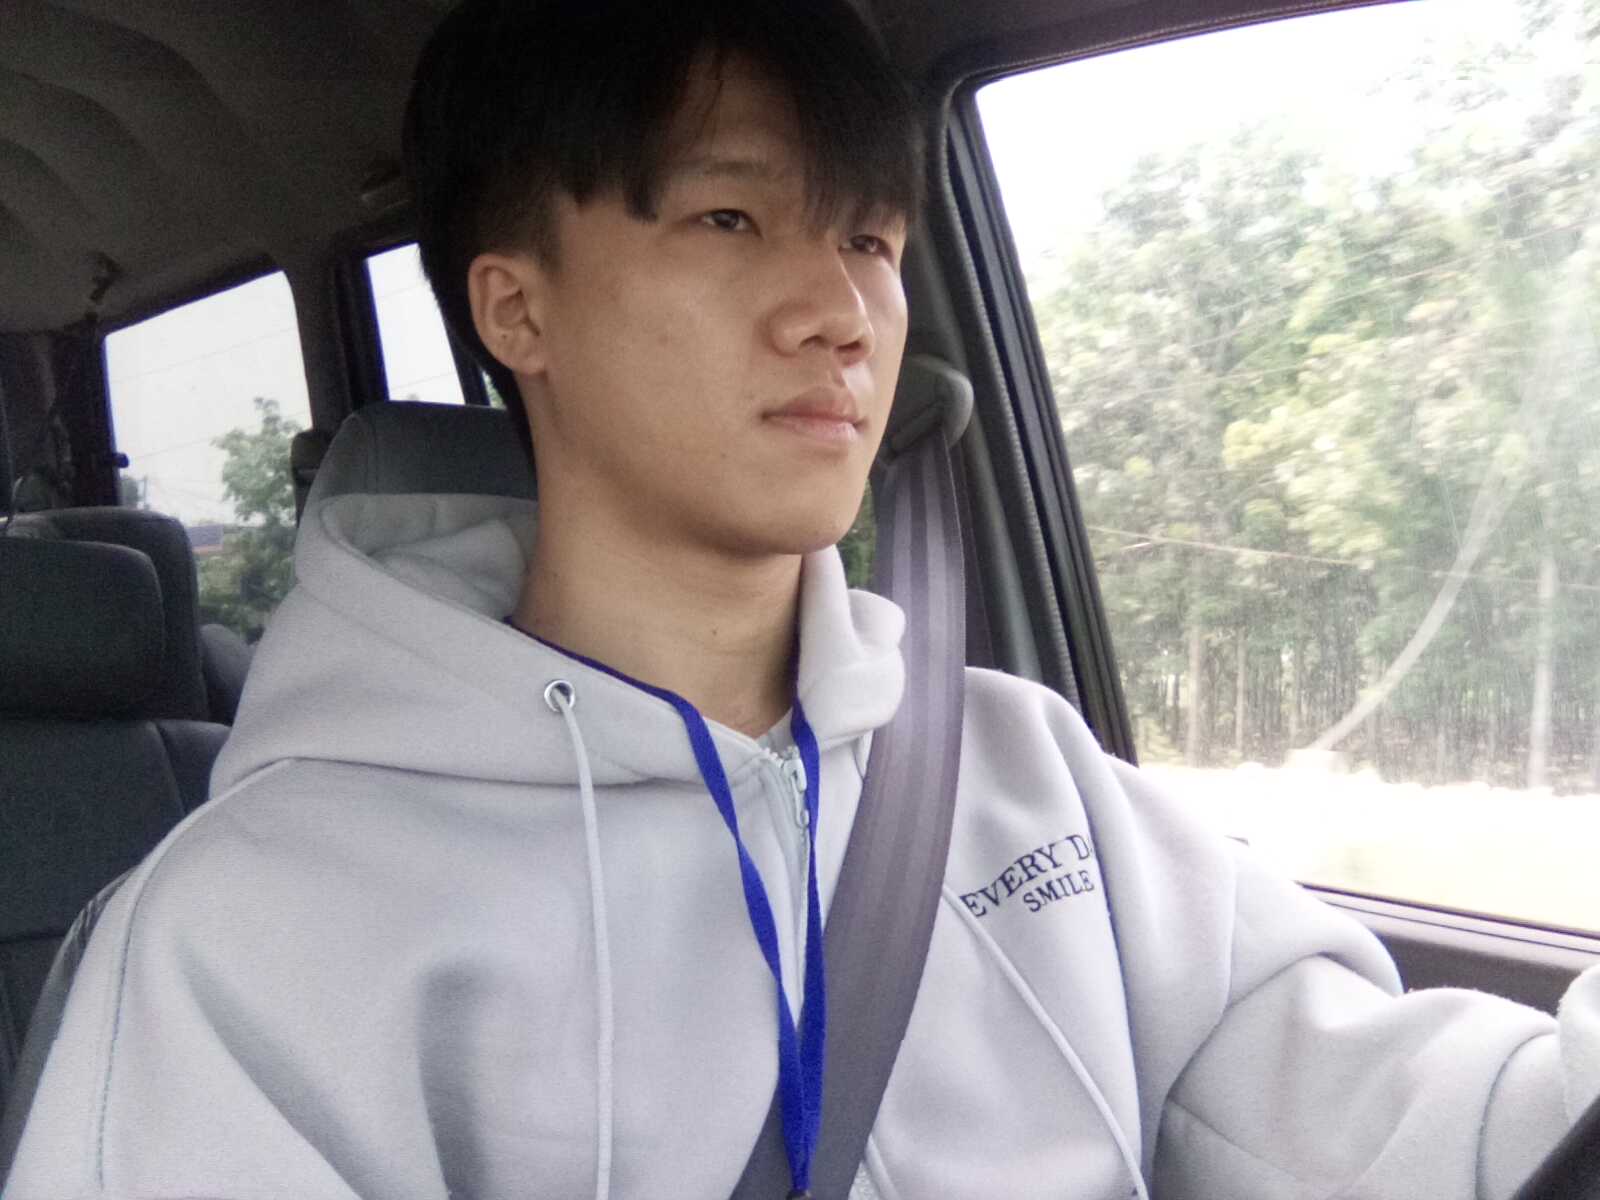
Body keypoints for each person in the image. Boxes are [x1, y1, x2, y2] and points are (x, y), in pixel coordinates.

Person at [6, 0, 1599, 1196]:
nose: (842, 312)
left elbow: (1428, 1124)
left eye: (874, 240)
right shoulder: (263, 930)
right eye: (732, 219)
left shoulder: (1026, 776)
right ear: (515, 307)